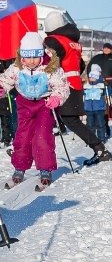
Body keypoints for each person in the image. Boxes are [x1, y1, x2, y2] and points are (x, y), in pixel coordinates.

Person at [0, 32, 69, 189]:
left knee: (42, 136)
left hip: (44, 105)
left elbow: (62, 86)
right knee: (23, 137)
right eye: (28, 57)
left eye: (35, 56)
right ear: (22, 55)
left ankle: (45, 169)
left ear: (41, 54)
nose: (32, 61)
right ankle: (19, 168)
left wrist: (56, 98)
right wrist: (0, 89)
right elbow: (5, 81)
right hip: (24, 104)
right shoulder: (16, 68)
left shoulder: (50, 68)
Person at [43, 10, 111, 165]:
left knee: (67, 120)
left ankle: (100, 149)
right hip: (75, 82)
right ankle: (99, 148)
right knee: (70, 120)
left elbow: (50, 62)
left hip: (62, 84)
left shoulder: (53, 40)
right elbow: (80, 65)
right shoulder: (72, 41)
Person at [84, 65, 109, 142]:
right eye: (91, 77)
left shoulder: (101, 85)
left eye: (94, 77)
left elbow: (107, 92)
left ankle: (101, 138)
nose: (92, 78)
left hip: (99, 108)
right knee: (90, 125)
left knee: (100, 124)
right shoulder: (86, 86)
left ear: (98, 77)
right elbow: (83, 95)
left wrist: (105, 84)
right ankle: (91, 139)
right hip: (89, 109)